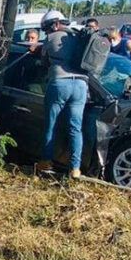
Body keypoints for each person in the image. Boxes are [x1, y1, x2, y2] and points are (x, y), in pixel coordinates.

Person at [35, 9, 88, 180]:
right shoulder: (80, 37)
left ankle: (45, 161)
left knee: (51, 124)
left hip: (59, 83)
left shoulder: (51, 38)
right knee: (75, 128)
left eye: (48, 28)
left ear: (56, 24)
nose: (47, 32)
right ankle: (75, 169)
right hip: (81, 85)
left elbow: (43, 62)